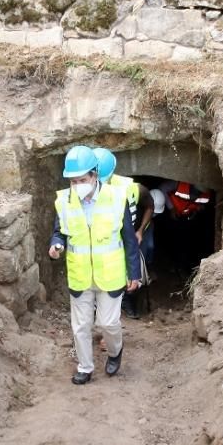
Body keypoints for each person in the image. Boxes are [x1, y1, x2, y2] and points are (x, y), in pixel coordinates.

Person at [49, 145, 142, 385]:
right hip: (80, 274)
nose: (77, 185)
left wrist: (134, 272)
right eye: (73, 181)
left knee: (108, 323)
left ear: (94, 175)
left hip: (110, 273)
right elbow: (60, 232)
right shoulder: (64, 201)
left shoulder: (116, 198)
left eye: (82, 179)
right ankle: (85, 367)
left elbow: (129, 239)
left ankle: (114, 352)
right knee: (81, 325)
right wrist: (56, 245)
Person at [93, 148, 153, 319]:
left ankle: (127, 303)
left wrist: (140, 231)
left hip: (126, 239)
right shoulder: (84, 193)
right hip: (101, 243)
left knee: (131, 274)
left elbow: (150, 205)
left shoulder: (132, 188)